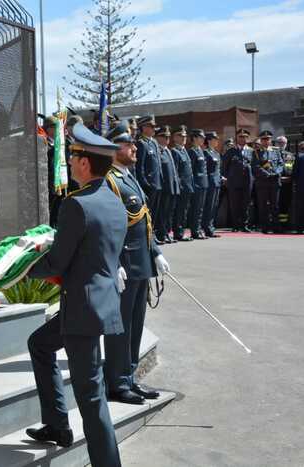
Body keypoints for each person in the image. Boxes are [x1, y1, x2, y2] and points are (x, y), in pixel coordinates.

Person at [25, 122, 125, 467]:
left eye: (72, 156)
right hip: (100, 304)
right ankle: (56, 424)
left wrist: (23, 265)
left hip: (81, 310)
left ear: (85, 163)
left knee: (91, 396)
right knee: (39, 343)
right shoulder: (113, 201)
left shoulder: (77, 204)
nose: (68, 162)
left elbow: (58, 260)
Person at [103, 123, 171, 405]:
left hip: (141, 262)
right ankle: (117, 383)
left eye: (132, 143)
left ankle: (129, 377)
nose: (134, 148)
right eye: (127, 144)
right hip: (125, 266)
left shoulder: (129, 178)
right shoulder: (110, 181)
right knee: (121, 327)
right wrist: (114, 262)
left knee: (135, 325)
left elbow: (145, 220)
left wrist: (155, 251)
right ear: (113, 149)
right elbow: (108, 226)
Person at [135, 116, 163, 244]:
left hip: (157, 183)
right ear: (144, 128)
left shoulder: (154, 143)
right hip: (148, 185)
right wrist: (145, 184)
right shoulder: (141, 144)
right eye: (151, 127)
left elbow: (158, 165)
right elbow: (139, 167)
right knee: (148, 213)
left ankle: (153, 235)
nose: (154, 129)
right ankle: (148, 237)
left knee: (155, 213)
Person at [252, 130, 284, 233]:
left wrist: (276, 172)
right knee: (263, 205)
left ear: (271, 140)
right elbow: (255, 166)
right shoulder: (256, 152)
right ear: (261, 141)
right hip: (263, 182)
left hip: (274, 181)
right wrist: (266, 174)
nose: (266, 141)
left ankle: (276, 227)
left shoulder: (276, 150)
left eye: (268, 139)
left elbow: (281, 164)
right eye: (264, 139)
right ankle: (265, 227)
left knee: (275, 205)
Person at [222, 129, 254, 232]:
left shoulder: (251, 151)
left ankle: (244, 225)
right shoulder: (231, 151)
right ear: (237, 138)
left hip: (247, 182)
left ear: (247, 138)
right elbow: (224, 166)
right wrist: (226, 179)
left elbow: (254, 166)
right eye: (240, 136)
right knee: (234, 204)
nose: (242, 139)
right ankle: (235, 225)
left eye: (244, 137)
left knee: (246, 204)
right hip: (234, 182)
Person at [154, 125, 180, 243]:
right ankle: (161, 234)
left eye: (168, 137)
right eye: (164, 136)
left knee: (169, 212)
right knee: (162, 213)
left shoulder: (168, 150)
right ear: (157, 137)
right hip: (164, 187)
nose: (167, 139)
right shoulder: (157, 151)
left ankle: (166, 233)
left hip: (172, 187)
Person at [171, 125, 194, 241]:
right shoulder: (175, 152)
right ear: (174, 138)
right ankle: (178, 233)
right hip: (181, 187)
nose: (183, 138)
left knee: (184, 211)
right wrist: (179, 186)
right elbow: (176, 172)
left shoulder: (184, 151)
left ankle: (182, 231)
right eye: (180, 135)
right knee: (179, 211)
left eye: (184, 136)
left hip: (188, 186)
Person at [187, 129, 209, 239]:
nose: (203, 139)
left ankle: (198, 229)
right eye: (201, 137)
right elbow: (191, 171)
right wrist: (194, 184)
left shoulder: (201, 150)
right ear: (195, 138)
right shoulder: (192, 151)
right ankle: (195, 230)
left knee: (200, 209)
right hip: (197, 184)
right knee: (195, 209)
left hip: (203, 183)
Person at [202, 131, 223, 237]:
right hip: (210, 183)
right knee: (208, 206)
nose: (217, 141)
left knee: (214, 206)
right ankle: (207, 228)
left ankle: (211, 227)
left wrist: (221, 178)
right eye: (215, 139)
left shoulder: (216, 153)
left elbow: (218, 169)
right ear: (209, 140)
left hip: (217, 183)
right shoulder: (206, 153)